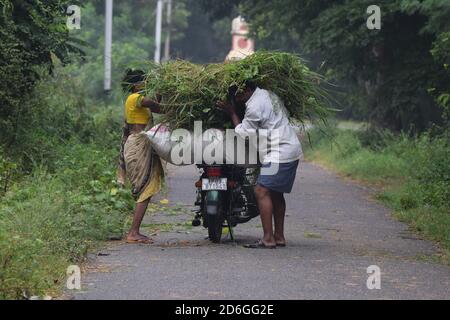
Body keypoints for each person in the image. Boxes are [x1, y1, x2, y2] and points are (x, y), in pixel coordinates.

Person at [217, 82, 302, 249]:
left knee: (261, 190)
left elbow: (244, 134)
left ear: (248, 90)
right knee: (276, 193)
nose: (239, 99)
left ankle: (268, 239)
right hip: (289, 147)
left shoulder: (254, 106)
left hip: (280, 151)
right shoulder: (269, 94)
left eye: (240, 95)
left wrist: (232, 113)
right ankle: (279, 237)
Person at [118, 69, 164, 244]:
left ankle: (134, 231)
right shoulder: (135, 98)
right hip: (137, 145)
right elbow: (159, 107)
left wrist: (159, 95)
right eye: (144, 81)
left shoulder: (140, 101)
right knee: (144, 190)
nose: (146, 84)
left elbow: (156, 108)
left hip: (139, 143)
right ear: (136, 85)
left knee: (145, 189)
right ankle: (133, 233)